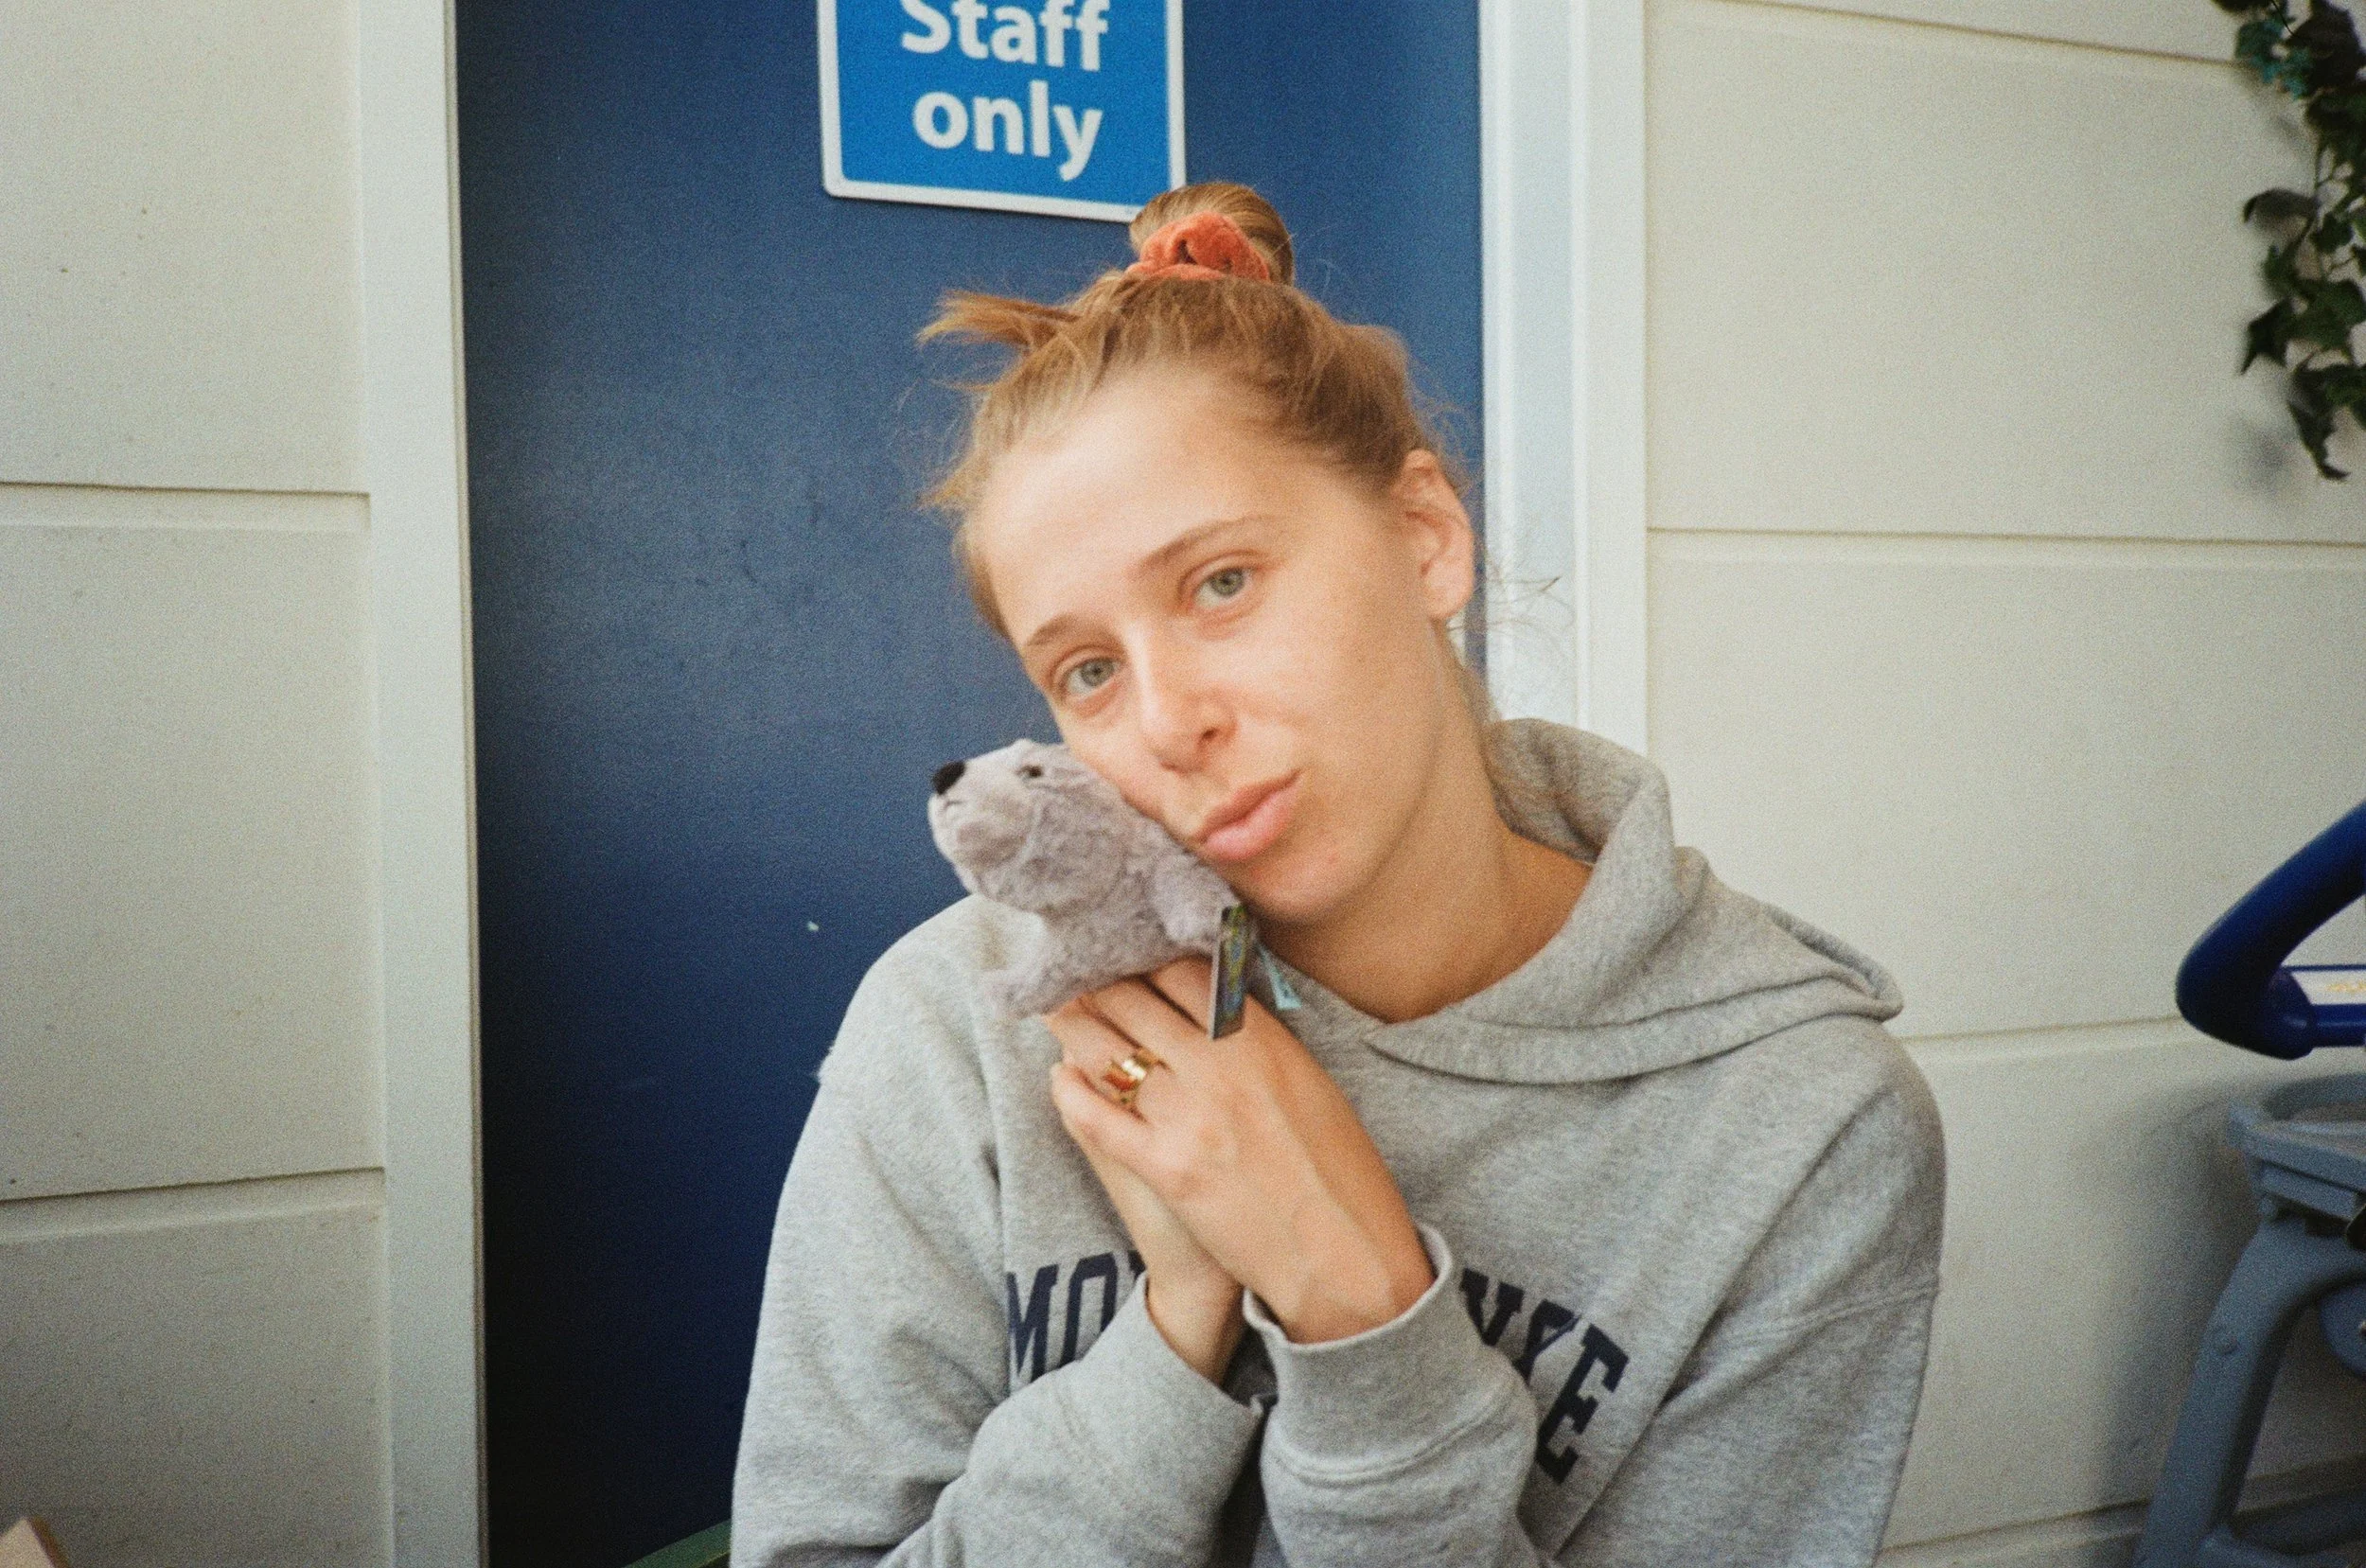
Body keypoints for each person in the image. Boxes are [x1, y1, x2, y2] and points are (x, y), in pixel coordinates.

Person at [730, 181, 1945, 1567]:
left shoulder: (1796, 1127)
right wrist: (1175, 1331)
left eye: (1223, 584)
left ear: (1424, 537)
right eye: (1086, 671)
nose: (1170, 719)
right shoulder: (968, 1023)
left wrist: (1362, 1317)